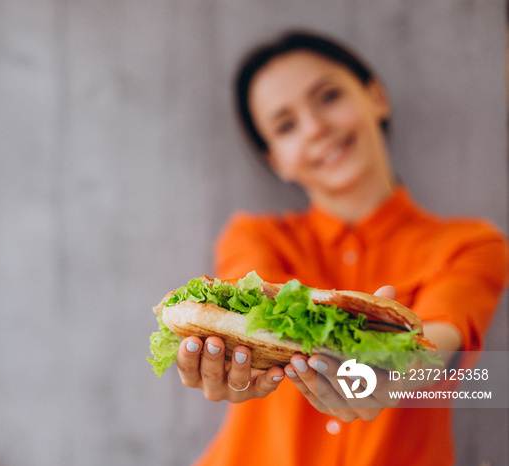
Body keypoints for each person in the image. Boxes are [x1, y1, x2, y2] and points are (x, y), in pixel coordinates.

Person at [174, 30, 509, 466]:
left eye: (328, 97)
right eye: (286, 125)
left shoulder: (471, 243)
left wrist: (398, 368)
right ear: (276, 159)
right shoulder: (253, 236)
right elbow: (248, 304)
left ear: (377, 97)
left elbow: (444, 339)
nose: (316, 128)